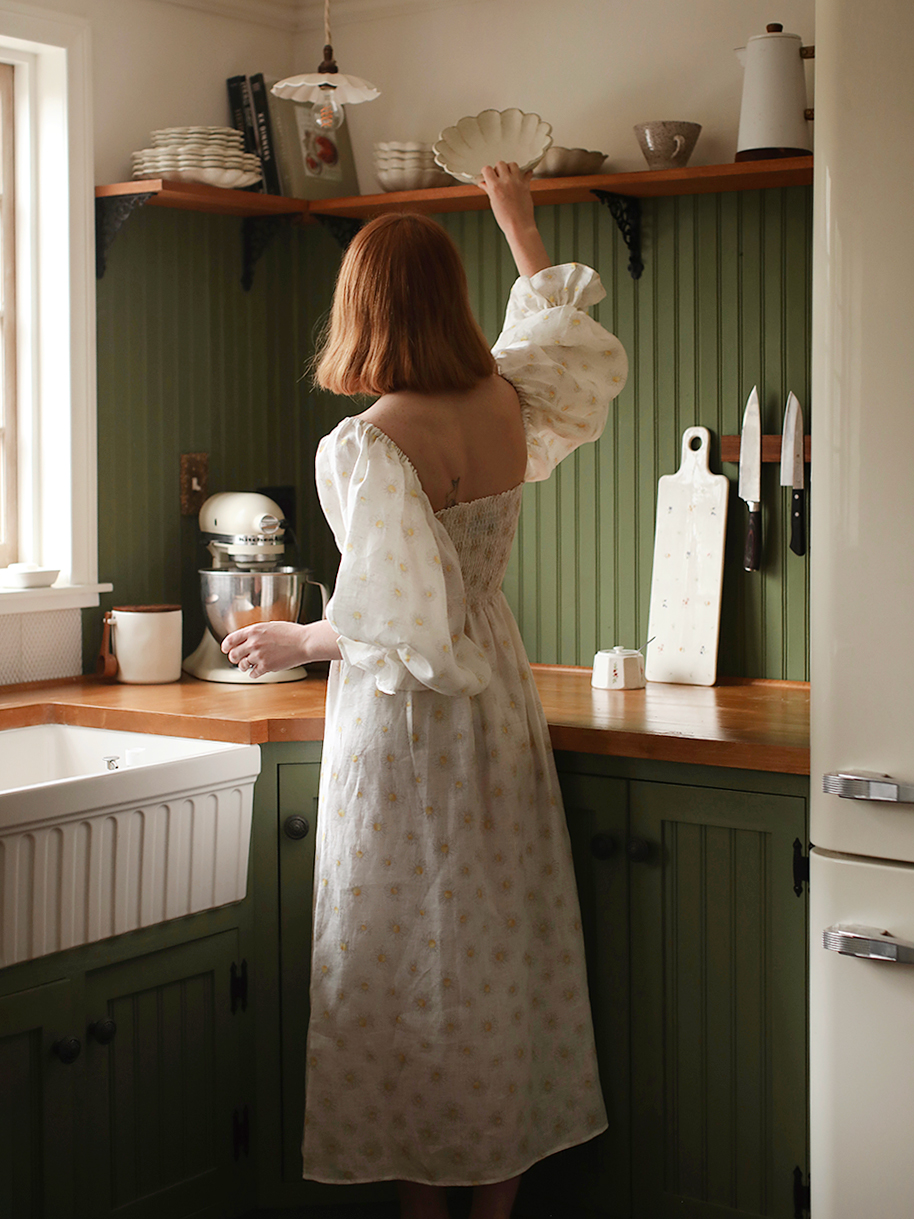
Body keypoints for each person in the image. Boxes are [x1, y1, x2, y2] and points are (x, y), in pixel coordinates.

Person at [222, 161, 628, 1219]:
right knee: (488, 958)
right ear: (445, 301)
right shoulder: (504, 398)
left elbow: (391, 621)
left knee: (402, 961)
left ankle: (417, 1205)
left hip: (406, 732)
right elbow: (561, 341)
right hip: (494, 705)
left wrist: (291, 639)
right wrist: (517, 224)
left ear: (359, 309)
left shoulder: (366, 443)